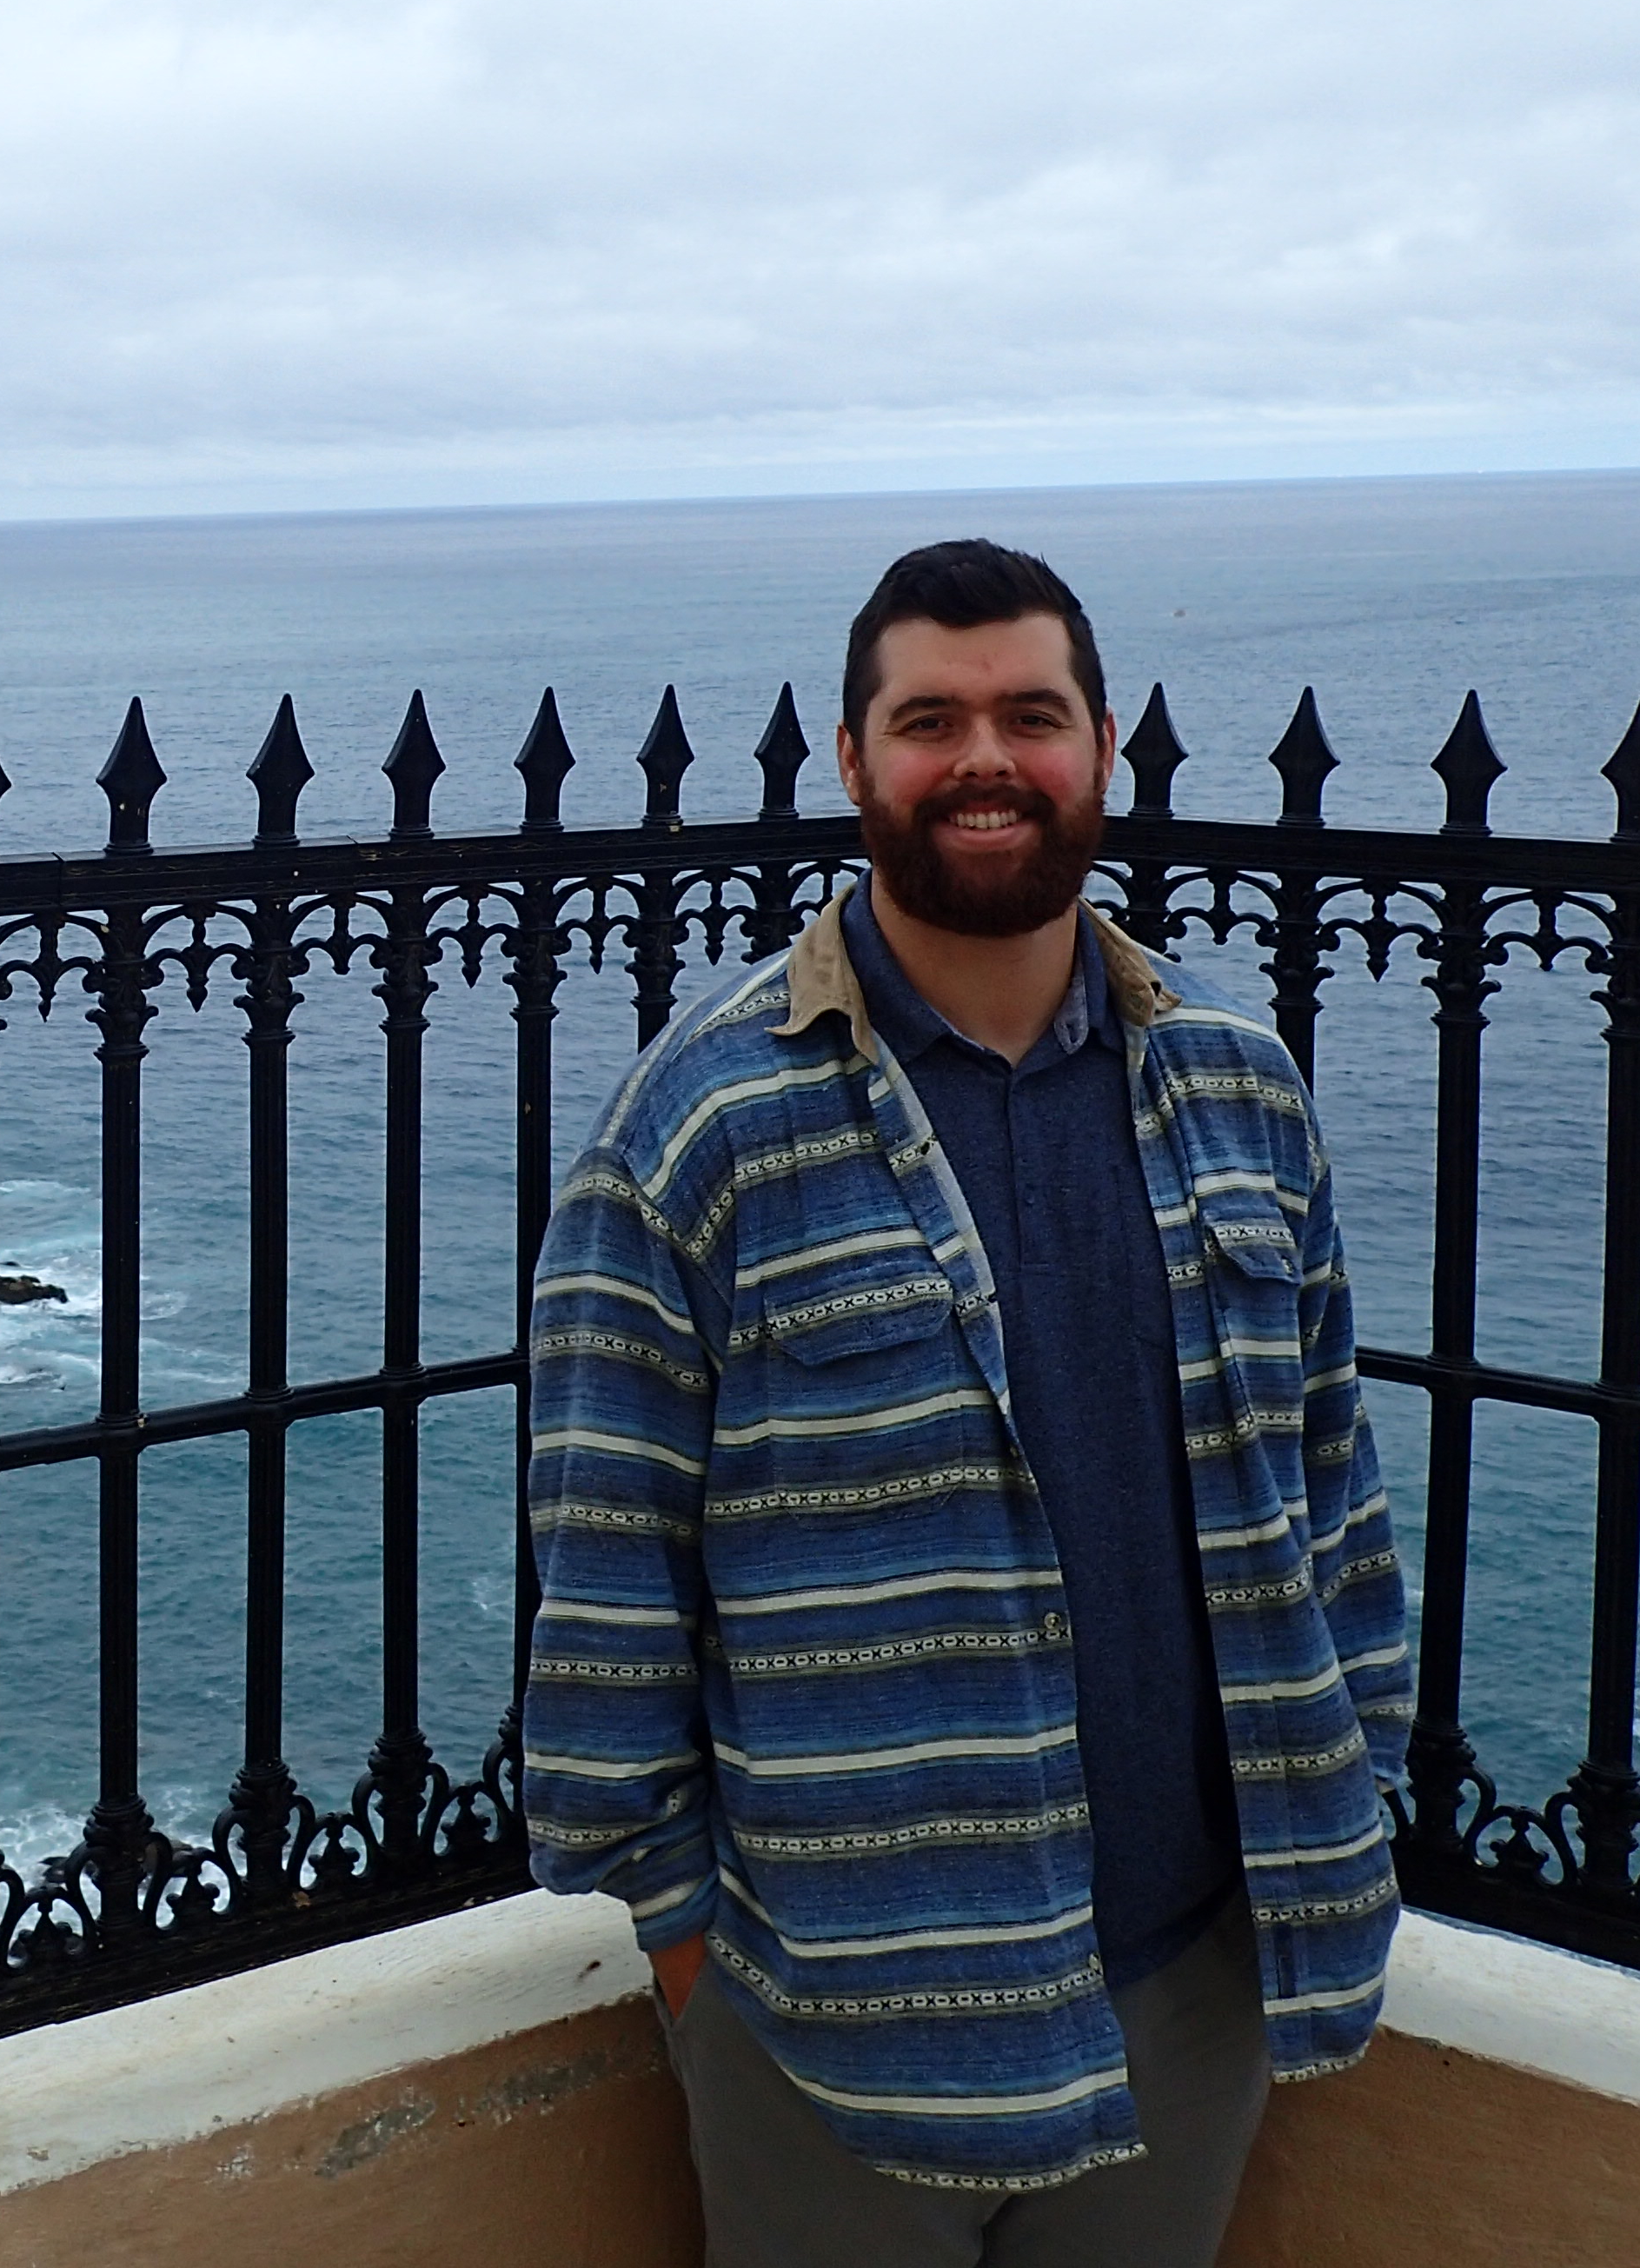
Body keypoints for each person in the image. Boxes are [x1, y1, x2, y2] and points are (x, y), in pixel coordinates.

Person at [521, 539, 1410, 2268]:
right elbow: (608, 1567)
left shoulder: (1240, 1087)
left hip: (1196, 1986)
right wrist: (688, 1948)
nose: (985, 757)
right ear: (854, 760)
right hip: (840, 2027)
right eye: (931, 720)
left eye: (1031, 715)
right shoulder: (700, 1130)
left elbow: (1335, 1493)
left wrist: (1349, 1796)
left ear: (1103, 749)